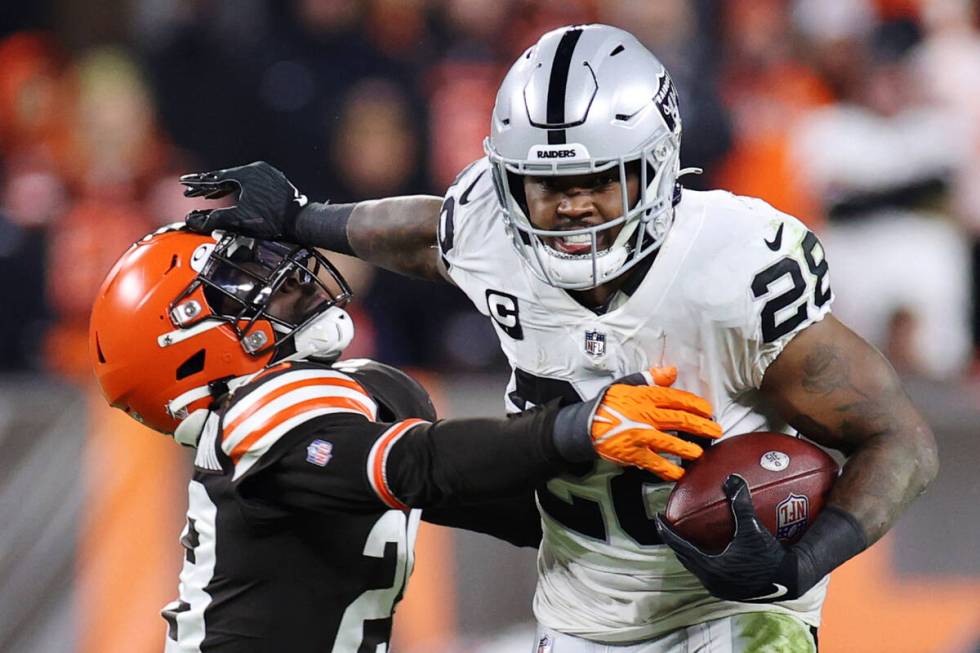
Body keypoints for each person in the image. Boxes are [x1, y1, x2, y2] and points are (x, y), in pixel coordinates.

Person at [180, 24, 939, 652]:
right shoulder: (493, 231)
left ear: (656, 165)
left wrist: (797, 562)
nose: (574, 206)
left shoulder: (734, 268)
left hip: (727, 614)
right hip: (581, 616)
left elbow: (901, 439)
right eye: (549, 185)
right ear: (512, 185)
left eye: (598, 179)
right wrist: (301, 215)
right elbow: (428, 234)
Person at [89, 224, 721, 652]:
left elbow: (513, 506)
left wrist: (673, 519)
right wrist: (577, 427)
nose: (280, 278)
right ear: (186, 346)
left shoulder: (354, 391)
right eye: (234, 283)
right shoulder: (256, 413)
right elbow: (420, 464)